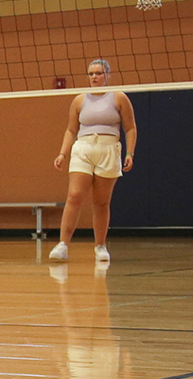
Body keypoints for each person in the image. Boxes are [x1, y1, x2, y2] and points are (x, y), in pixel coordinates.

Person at [49, 58, 137, 263]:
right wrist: (63, 153)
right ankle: (63, 245)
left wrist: (129, 153)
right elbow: (71, 130)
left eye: (98, 73)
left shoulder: (119, 98)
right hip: (83, 148)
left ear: (107, 75)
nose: (94, 77)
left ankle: (100, 246)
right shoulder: (79, 100)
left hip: (108, 149)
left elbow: (130, 128)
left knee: (101, 201)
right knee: (75, 195)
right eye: (91, 74)